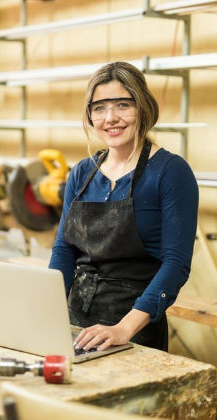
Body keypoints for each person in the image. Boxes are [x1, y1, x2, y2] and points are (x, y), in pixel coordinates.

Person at [49, 61, 198, 352]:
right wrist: (46, 309)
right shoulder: (82, 172)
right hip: (74, 322)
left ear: (142, 107)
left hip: (133, 330)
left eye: (122, 105)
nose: (111, 118)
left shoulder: (170, 172)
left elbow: (176, 264)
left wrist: (124, 328)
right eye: (100, 108)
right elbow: (63, 249)